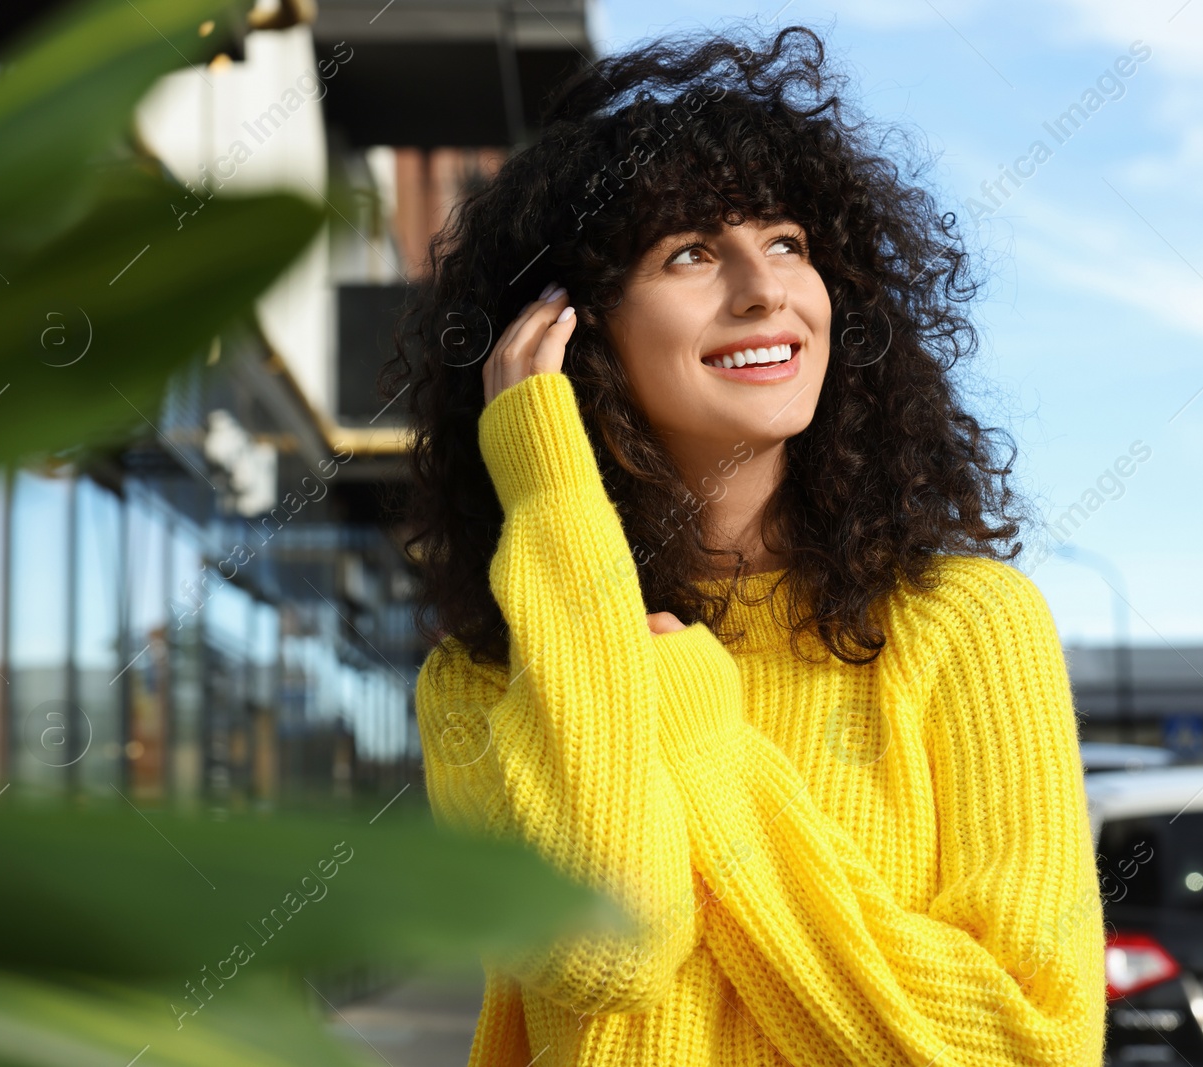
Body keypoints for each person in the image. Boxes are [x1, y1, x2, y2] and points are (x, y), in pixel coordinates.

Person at [383, 22, 1106, 1067]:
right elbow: (602, 948)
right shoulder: (484, 677)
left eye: (787, 244)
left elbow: (1028, 1043)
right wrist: (548, 485)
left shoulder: (967, 625)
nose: (764, 289)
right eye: (690, 253)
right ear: (570, 329)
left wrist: (690, 723)